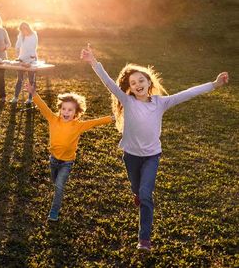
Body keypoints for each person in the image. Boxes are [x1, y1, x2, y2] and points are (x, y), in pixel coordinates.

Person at [80, 44, 229, 251]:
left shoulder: (161, 102)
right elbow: (108, 83)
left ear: (149, 82)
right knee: (137, 190)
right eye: (133, 83)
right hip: (130, 156)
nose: (138, 84)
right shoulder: (128, 100)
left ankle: (144, 239)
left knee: (146, 195)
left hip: (152, 156)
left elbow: (187, 93)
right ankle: (138, 194)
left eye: (141, 80)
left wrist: (213, 84)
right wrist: (93, 62)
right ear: (129, 88)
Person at [25, 83, 113, 221]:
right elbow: (43, 107)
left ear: (76, 112)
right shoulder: (53, 119)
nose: (66, 112)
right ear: (60, 109)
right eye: (64, 109)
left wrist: (112, 118)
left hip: (67, 162)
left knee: (59, 185)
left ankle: (54, 212)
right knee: (55, 182)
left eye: (70, 110)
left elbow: (95, 122)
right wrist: (33, 93)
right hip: (53, 159)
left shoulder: (78, 125)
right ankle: (57, 190)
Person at [11, 22, 38, 104]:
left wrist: (30, 61)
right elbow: (17, 46)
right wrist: (18, 56)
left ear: (28, 28)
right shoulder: (20, 35)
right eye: (22, 29)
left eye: (25, 29)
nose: (23, 31)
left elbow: (33, 48)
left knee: (31, 80)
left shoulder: (34, 35)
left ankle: (30, 99)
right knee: (19, 79)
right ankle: (15, 97)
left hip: (31, 60)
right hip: (22, 60)